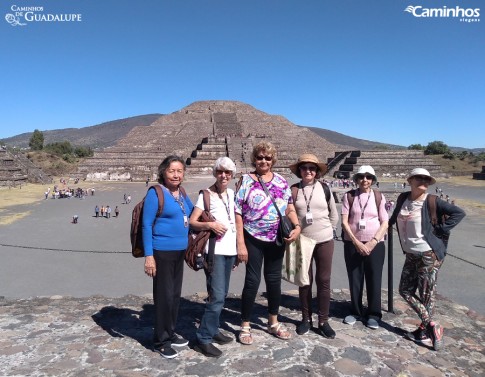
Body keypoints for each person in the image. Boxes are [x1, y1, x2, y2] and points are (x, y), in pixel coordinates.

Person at [389, 168, 465, 351]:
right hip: (411, 253)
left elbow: (459, 213)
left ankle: (424, 330)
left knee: (426, 295)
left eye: (426, 179)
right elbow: (393, 219)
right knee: (405, 290)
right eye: (419, 178)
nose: (423, 181)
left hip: (428, 254)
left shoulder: (432, 201)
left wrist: (439, 229)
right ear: (410, 180)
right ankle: (431, 324)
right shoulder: (403, 199)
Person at [235, 141, 301, 345]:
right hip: (252, 236)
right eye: (260, 157)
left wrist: (297, 226)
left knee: (274, 281)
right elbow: (237, 212)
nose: (264, 161)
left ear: (273, 160)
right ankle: (245, 324)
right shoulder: (246, 180)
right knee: (252, 281)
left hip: (276, 238)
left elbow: (289, 208)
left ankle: (273, 321)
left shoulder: (281, 181)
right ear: (254, 159)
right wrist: (240, 243)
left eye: (268, 158)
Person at [142, 155, 194, 359]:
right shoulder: (156, 193)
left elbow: (192, 214)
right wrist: (149, 256)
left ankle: (170, 333)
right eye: (172, 170)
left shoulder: (181, 193)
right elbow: (146, 225)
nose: (176, 174)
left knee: (174, 295)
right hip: (161, 252)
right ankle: (161, 340)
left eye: (180, 171)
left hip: (179, 251)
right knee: (163, 296)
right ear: (163, 172)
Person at [189, 157, 238, 358]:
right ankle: (204, 338)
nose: (223, 175)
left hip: (229, 251)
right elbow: (192, 222)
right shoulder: (206, 195)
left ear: (232, 175)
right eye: (219, 172)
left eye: (227, 172)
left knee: (221, 294)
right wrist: (210, 225)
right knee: (217, 296)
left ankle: (214, 328)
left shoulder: (233, 194)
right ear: (215, 173)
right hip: (214, 252)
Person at [288, 154, 339, 338]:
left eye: (312, 168)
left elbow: (334, 215)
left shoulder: (325, 188)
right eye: (304, 168)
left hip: (325, 240)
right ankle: (305, 318)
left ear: (317, 171)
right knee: (304, 280)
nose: (308, 171)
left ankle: (323, 320)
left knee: (324, 281)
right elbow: (289, 214)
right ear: (299, 171)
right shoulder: (294, 190)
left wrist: (328, 230)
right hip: (303, 241)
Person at [341, 165, 389, 329]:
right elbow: (344, 222)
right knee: (355, 278)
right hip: (353, 244)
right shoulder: (349, 196)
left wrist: (373, 242)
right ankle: (355, 310)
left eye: (368, 177)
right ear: (356, 179)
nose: (365, 180)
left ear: (373, 180)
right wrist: (356, 242)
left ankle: (374, 313)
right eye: (361, 177)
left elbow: (385, 222)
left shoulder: (378, 197)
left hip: (375, 244)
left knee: (374, 278)